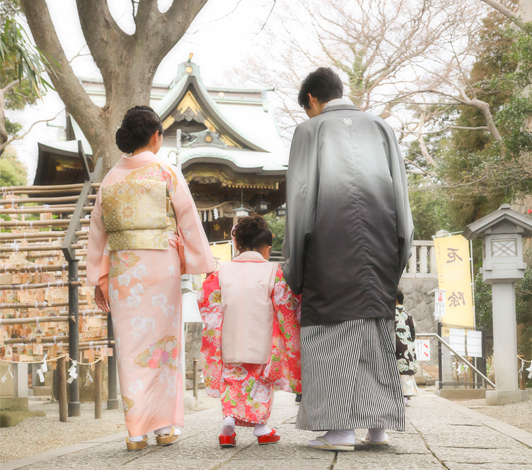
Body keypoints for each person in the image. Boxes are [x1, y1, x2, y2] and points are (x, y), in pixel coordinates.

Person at [282, 68, 414, 451]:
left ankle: (338, 431)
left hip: (329, 246)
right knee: (375, 332)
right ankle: (378, 426)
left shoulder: (310, 131)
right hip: (380, 248)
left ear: (311, 100)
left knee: (331, 336)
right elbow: (402, 199)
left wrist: (295, 266)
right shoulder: (381, 127)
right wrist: (399, 254)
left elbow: (302, 201)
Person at [87, 105, 214, 451]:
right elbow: (187, 218)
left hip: (124, 270)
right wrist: (201, 262)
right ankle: (162, 428)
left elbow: (97, 232)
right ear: (156, 136)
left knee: (130, 349)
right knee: (163, 345)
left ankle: (135, 433)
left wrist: (99, 276)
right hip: (161, 266)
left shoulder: (111, 178)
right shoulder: (166, 171)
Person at [198, 214, 302, 448]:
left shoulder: (219, 272)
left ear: (237, 245)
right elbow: (286, 306)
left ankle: (227, 426)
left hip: (229, 341)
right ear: (266, 248)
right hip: (262, 341)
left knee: (232, 382)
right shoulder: (273, 271)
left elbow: (207, 304)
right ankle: (261, 428)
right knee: (259, 385)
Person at [394, 287, 418, 407]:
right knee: (405, 374)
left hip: (396, 347)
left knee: (396, 373)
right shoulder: (408, 315)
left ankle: (400, 396)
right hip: (407, 348)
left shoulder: (392, 314)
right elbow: (413, 332)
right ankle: (406, 396)